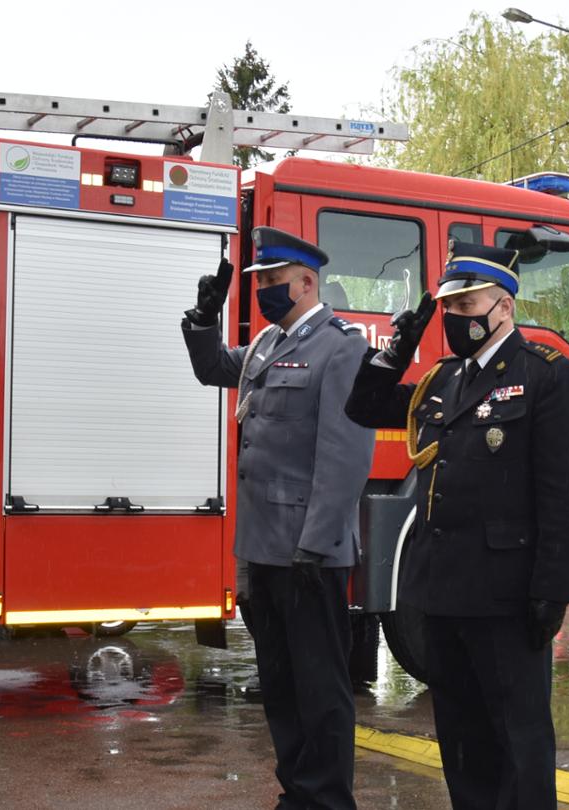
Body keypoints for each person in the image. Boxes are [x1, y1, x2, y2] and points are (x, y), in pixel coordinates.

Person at [343, 241, 569, 809]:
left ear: (502, 306)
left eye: (466, 305)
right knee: (461, 741)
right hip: (443, 591)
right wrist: (397, 347)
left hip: (507, 595)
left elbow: (565, 495)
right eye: (448, 307)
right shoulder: (441, 379)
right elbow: (362, 406)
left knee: (517, 741)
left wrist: (552, 588)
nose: (455, 318)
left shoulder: (546, 376)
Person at [182, 226, 376, 809]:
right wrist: (201, 320)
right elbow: (215, 366)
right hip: (264, 548)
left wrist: (315, 546)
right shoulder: (268, 343)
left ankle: (327, 799)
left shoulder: (342, 346)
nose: (264, 289)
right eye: (260, 280)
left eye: (273, 280)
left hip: (307, 553)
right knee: (282, 685)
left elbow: (343, 457)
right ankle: (299, 792)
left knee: (321, 687)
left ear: (307, 281)